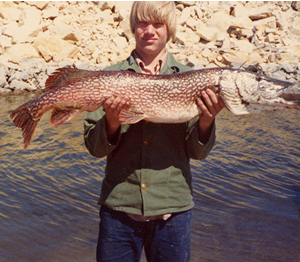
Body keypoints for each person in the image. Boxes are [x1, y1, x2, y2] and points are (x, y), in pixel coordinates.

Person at [84, 2, 225, 262]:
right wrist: (112, 122)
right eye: (142, 23)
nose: (149, 31)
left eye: (158, 24)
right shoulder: (110, 76)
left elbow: (197, 153)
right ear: (133, 27)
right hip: (118, 211)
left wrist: (206, 121)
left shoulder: (191, 79)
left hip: (172, 214)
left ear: (169, 29)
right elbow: (94, 148)